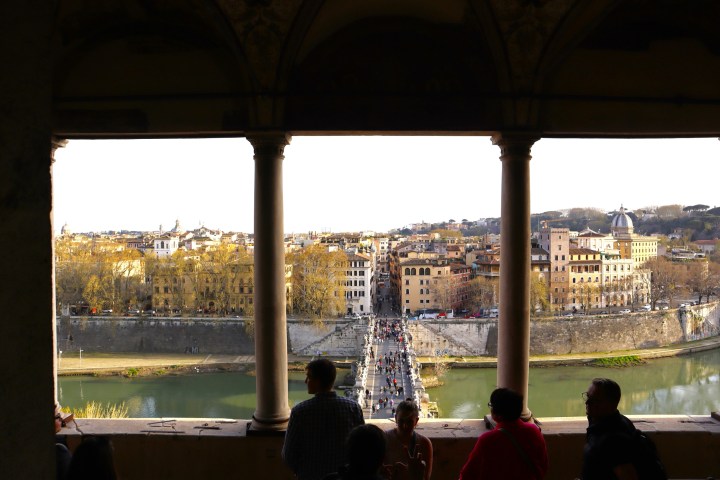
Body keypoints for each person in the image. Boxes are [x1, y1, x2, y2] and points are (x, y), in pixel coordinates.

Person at [283, 358, 365, 480]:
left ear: (318, 381)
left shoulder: (299, 412)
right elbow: (362, 448)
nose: (306, 381)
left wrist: (302, 472)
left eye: (309, 377)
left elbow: (288, 455)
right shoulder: (354, 408)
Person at [581, 377, 665, 480]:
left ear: (611, 404)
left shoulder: (613, 441)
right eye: (588, 396)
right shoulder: (619, 420)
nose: (587, 402)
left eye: (595, 400)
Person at [458, 388, 548, 479]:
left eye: (491, 406)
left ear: (496, 413)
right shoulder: (534, 431)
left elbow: (468, 474)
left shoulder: (488, 440)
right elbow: (543, 465)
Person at [384, 399, 432, 480]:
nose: (405, 426)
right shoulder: (384, 439)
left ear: (416, 421)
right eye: (401, 421)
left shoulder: (424, 444)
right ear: (395, 418)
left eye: (409, 422)